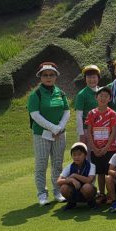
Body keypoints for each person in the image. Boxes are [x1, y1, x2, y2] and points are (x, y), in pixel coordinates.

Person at [28, 62, 71, 205]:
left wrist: (59, 127)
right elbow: (35, 115)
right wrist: (53, 128)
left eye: (51, 75)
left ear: (55, 77)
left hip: (59, 133)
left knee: (57, 164)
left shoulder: (61, 93)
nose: (48, 77)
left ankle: (57, 192)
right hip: (41, 134)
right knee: (41, 164)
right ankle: (42, 194)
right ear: (40, 77)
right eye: (45, 75)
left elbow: (66, 111)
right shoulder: (36, 94)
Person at [85, 86, 116, 203]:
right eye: (101, 96)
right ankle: (102, 194)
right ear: (96, 97)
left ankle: (111, 194)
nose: (103, 98)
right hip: (96, 149)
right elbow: (89, 131)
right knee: (100, 173)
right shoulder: (91, 113)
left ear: (110, 99)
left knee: (109, 172)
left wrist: (106, 148)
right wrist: (94, 148)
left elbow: (113, 132)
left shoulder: (112, 113)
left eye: (106, 96)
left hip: (110, 149)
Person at [57, 142, 97, 210]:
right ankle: (71, 202)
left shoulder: (91, 166)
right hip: (74, 191)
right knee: (63, 188)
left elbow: (89, 180)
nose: (76, 157)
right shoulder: (69, 166)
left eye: (79, 154)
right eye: (74, 155)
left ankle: (91, 202)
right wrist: (71, 180)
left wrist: (74, 175)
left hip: (87, 192)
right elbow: (58, 181)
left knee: (87, 187)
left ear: (85, 155)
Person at [74, 65, 100, 156]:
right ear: (85, 79)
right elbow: (79, 116)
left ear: (98, 78)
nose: (91, 80)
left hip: (100, 129)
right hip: (86, 129)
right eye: (89, 77)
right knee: (87, 154)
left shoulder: (101, 92)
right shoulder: (82, 94)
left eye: (94, 77)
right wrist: (81, 134)